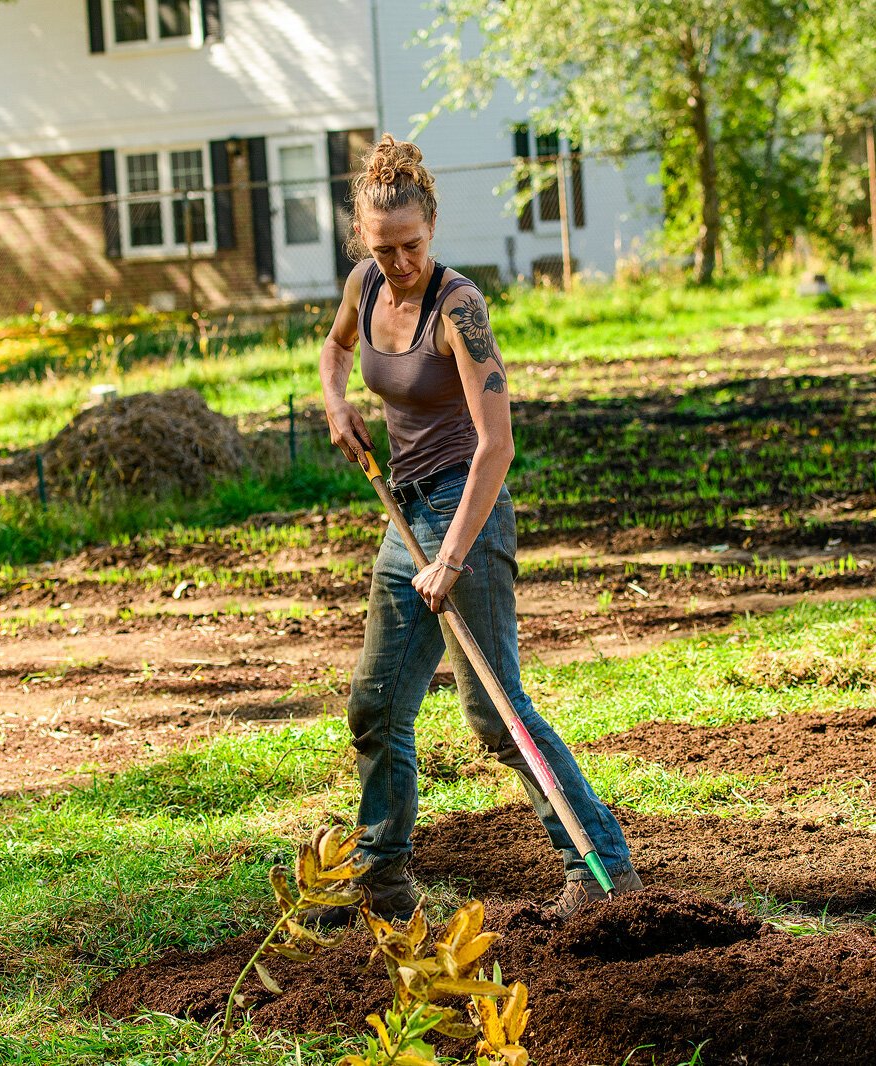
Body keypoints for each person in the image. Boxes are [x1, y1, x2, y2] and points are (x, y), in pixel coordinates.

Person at [315, 135, 641, 924]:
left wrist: (452, 557)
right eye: (384, 248)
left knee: (495, 711)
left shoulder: (458, 307)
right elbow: (334, 349)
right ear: (363, 240)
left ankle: (602, 871)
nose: (398, 263)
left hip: (468, 510)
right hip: (406, 510)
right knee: (377, 703)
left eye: (412, 246)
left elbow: (499, 445)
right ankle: (383, 882)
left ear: (432, 225)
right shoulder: (364, 285)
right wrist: (337, 402)